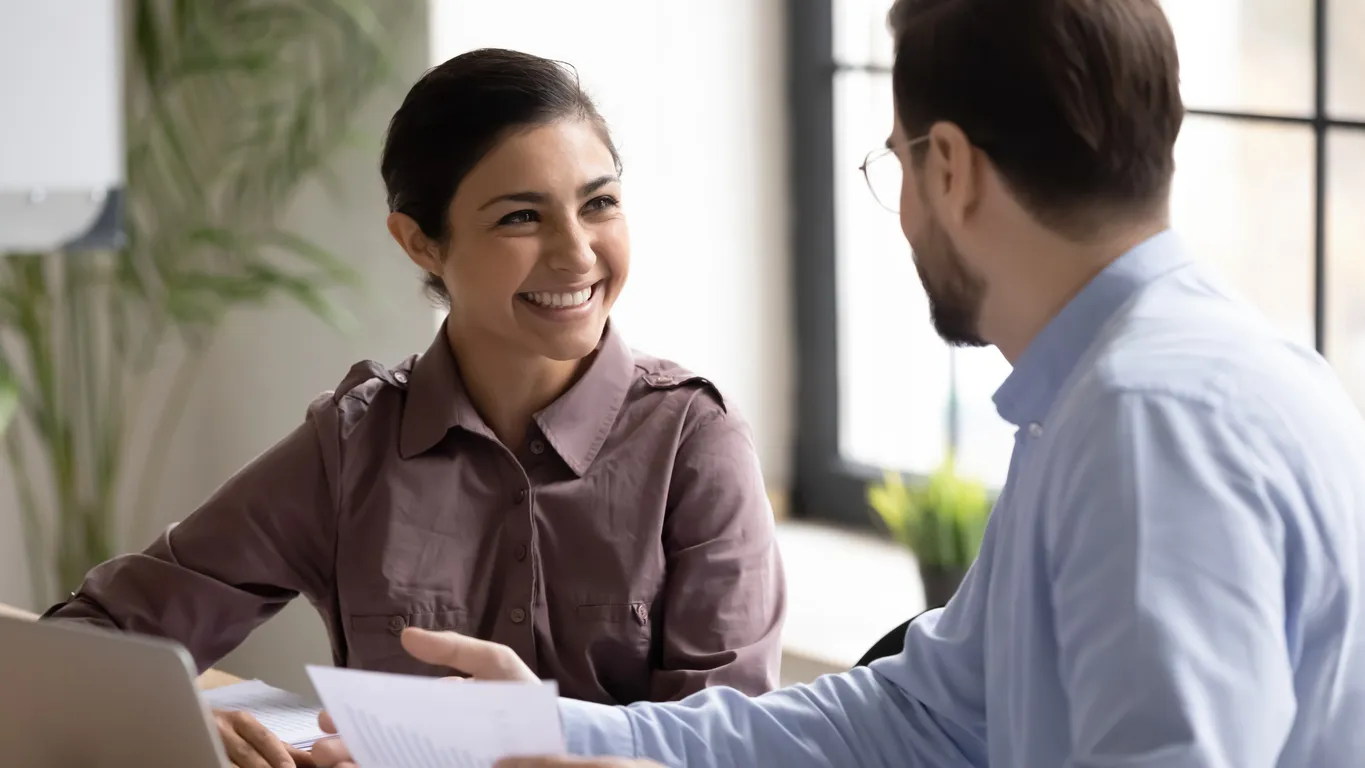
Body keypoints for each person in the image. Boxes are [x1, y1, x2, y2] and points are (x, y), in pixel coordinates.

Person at [308, 1, 1365, 766]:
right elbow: (922, 717)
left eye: (897, 163)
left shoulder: (1151, 424)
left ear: (947, 168)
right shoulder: (1128, 391)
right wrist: (563, 731)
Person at [43, 48, 785, 768]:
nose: (576, 253)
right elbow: (86, 640)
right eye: (521, 217)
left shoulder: (694, 441)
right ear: (420, 242)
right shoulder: (351, 444)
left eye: (598, 203)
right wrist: (201, 719)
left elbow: (730, 749)